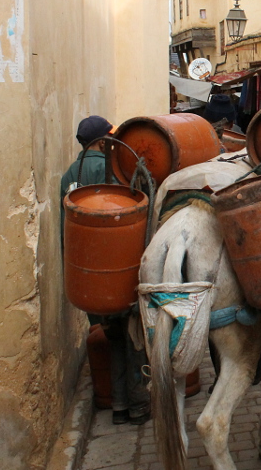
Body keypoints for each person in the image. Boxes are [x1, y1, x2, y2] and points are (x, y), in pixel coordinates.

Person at [61, 116, 151, 426]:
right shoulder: (112, 169)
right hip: (118, 269)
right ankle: (139, 404)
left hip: (88, 274)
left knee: (112, 336)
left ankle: (119, 407)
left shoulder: (69, 177)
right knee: (134, 337)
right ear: (102, 142)